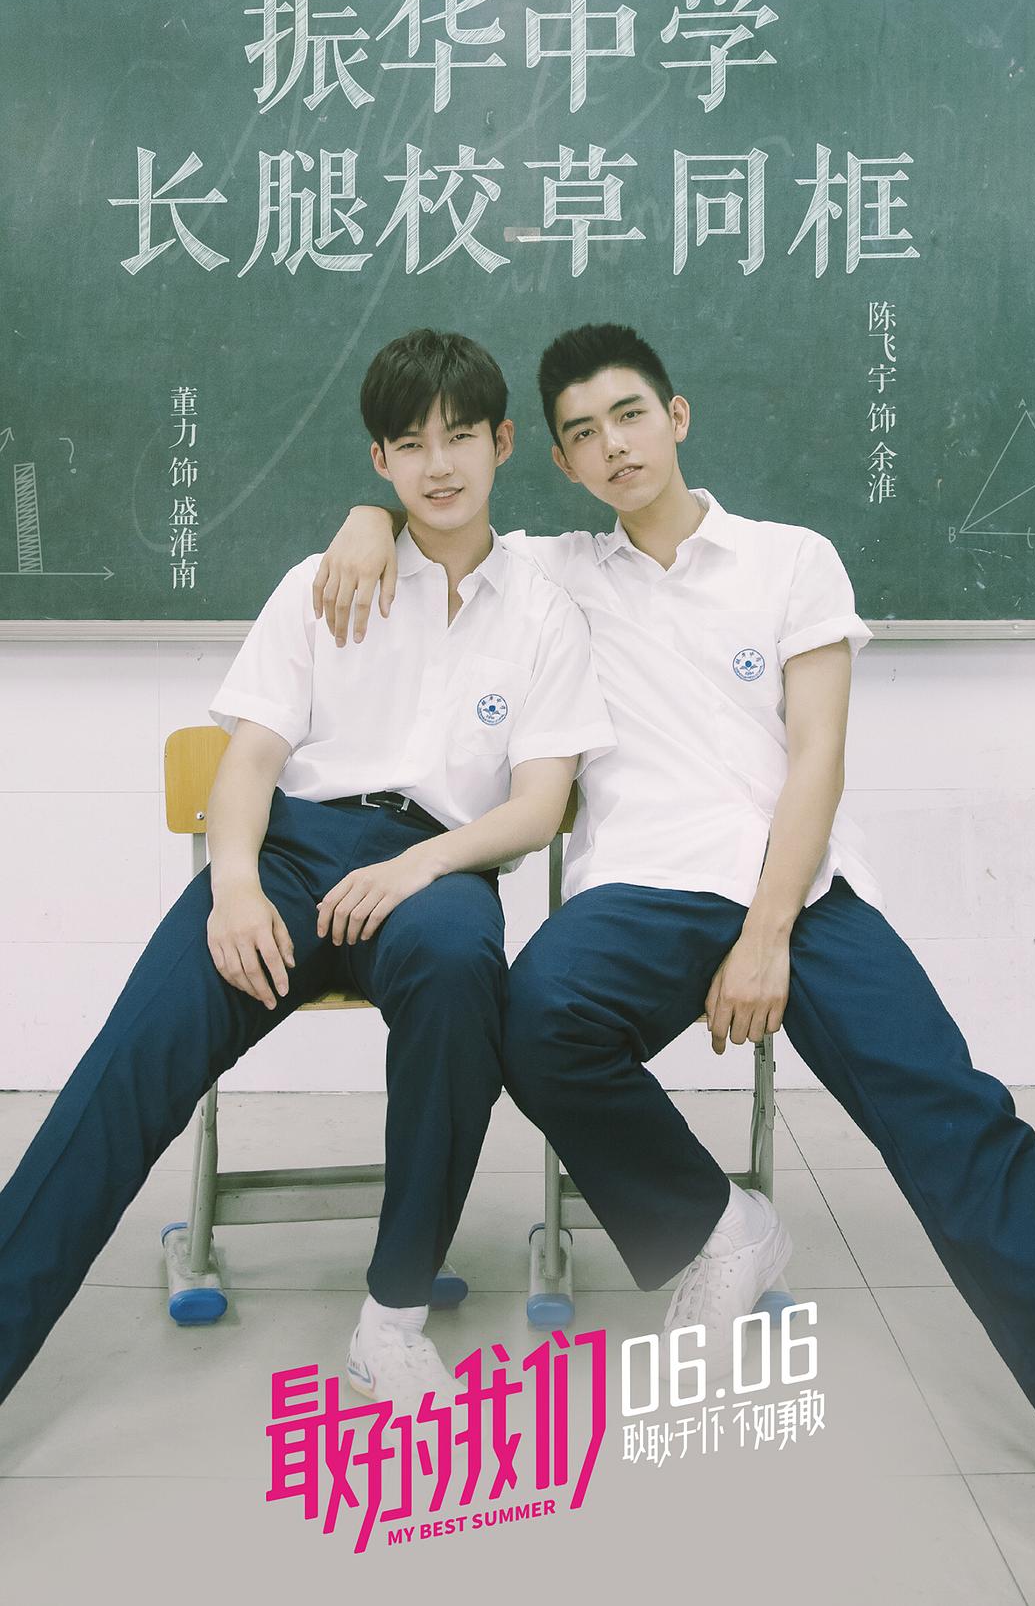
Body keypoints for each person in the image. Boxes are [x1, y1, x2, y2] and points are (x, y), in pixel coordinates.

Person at [311, 321, 1035, 1477]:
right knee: (533, 1019)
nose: (613, 445)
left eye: (629, 415)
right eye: (582, 433)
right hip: (646, 886)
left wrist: (768, 933)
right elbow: (438, 519)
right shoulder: (557, 573)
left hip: (799, 889)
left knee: (961, 1123)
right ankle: (723, 1228)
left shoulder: (791, 560)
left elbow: (817, 758)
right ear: (559, 460)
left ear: (676, 417)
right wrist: (365, 518)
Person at [0, 329, 613, 1409]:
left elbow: (535, 806)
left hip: (439, 870)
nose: (438, 465)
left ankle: (394, 1316)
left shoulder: (545, 613)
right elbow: (250, 758)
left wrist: (420, 865)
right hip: (289, 855)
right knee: (130, 1059)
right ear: (379, 459)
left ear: (505, 441)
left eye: (460, 437)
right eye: (409, 444)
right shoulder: (322, 583)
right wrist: (234, 885)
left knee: (461, 974)